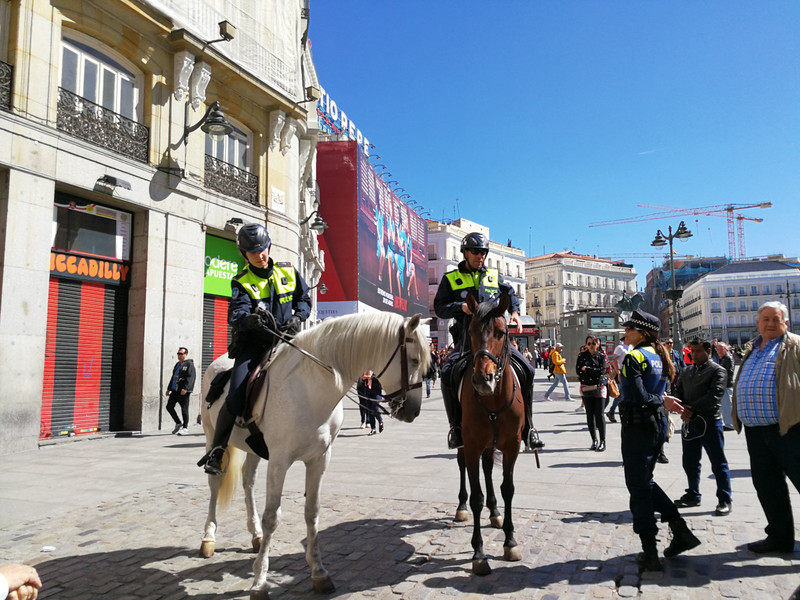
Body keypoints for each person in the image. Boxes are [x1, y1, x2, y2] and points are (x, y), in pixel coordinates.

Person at [199, 223, 311, 475]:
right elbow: (236, 313)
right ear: (243, 254)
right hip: (253, 346)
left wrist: (299, 316)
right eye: (253, 252)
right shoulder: (241, 281)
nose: (261, 255)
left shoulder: (289, 271)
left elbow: (304, 299)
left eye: (263, 249)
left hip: (286, 341)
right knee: (236, 394)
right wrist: (247, 320)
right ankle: (217, 450)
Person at [434, 232, 540, 450]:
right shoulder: (451, 279)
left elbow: (510, 293)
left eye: (483, 252)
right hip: (466, 341)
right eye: (475, 251)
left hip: (495, 342)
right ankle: (455, 427)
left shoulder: (493, 276)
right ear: (465, 253)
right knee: (446, 373)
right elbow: (439, 308)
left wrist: (515, 312)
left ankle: (529, 427)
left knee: (528, 369)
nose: (480, 256)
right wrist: (459, 307)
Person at [618, 309, 699, 571]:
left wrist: (660, 401)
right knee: (645, 482)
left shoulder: (634, 357)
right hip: (657, 426)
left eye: (629, 328)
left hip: (638, 427)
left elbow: (641, 397)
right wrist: (661, 402)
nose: (625, 332)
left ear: (641, 332)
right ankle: (679, 529)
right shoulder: (659, 356)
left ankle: (650, 550)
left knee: (638, 488)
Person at [732, 301, 800, 554]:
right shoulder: (753, 348)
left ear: (786, 322)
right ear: (758, 323)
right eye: (766, 319)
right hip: (756, 431)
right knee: (768, 486)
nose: (771, 323)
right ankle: (780, 538)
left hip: (790, 428)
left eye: (776, 319)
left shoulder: (795, 345)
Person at [669, 339, 732, 516]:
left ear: (708, 351)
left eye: (698, 351)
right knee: (689, 461)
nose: (694, 355)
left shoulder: (718, 370)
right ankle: (693, 493)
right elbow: (678, 391)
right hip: (690, 422)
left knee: (718, 462)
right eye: (692, 352)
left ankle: (724, 498)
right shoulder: (687, 371)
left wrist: (691, 408)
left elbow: (715, 395)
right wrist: (681, 407)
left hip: (709, 421)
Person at [576, 335, 608, 451]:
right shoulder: (582, 356)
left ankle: (603, 441)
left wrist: (588, 369)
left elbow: (602, 371)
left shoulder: (601, 356)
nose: (591, 346)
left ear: (598, 344)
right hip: (586, 387)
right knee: (590, 414)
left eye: (593, 344)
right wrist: (588, 370)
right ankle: (594, 440)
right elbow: (578, 370)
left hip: (599, 387)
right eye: (588, 344)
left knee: (599, 414)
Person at [165, 346, 196, 435]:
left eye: (181, 354)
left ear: (185, 354)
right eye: (178, 353)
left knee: (184, 409)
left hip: (183, 391)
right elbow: (174, 377)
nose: (179, 355)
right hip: (175, 390)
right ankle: (178, 423)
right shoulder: (177, 364)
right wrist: (169, 388)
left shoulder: (189, 364)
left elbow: (191, 377)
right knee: (169, 407)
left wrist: (186, 388)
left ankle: (185, 427)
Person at [606, 340, 631, 422]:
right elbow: (614, 360)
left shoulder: (631, 347)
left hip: (631, 374)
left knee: (627, 395)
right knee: (621, 395)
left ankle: (624, 413)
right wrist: (617, 371)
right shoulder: (620, 348)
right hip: (623, 373)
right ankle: (612, 411)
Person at [715, 341, 735, 430]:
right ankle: (728, 423)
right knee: (725, 405)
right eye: (717, 349)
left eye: (720, 349)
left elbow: (728, 372)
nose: (718, 351)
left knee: (727, 405)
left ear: (725, 350)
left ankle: (730, 424)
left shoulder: (727, 358)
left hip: (726, 385)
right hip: (724, 385)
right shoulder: (723, 358)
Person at [357, 371, 383, 435]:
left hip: (376, 392)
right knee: (370, 411)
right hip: (367, 392)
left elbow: (379, 378)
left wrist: (371, 377)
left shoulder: (376, 369)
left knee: (375, 408)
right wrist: (363, 379)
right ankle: (373, 429)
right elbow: (361, 382)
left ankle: (380, 421)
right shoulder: (364, 372)